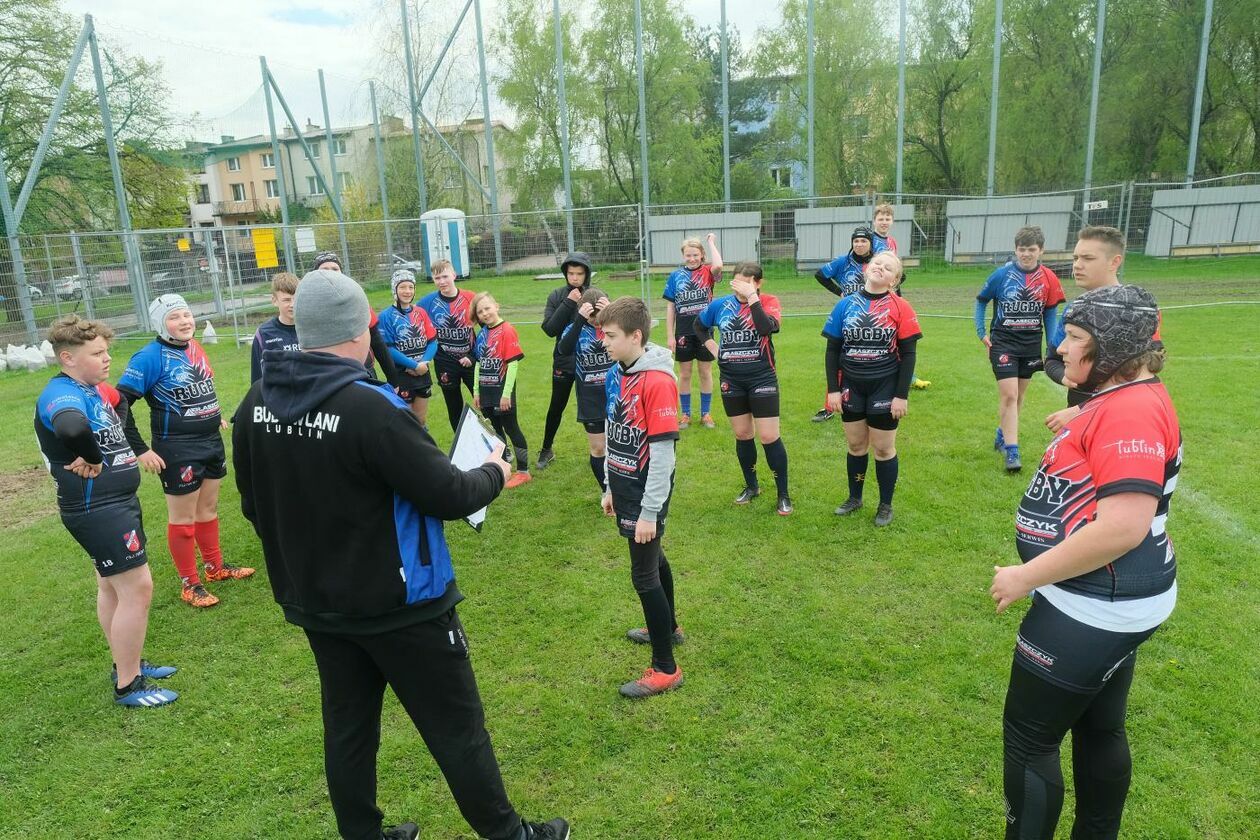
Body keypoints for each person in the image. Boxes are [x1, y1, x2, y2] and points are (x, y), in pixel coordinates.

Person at [233, 268, 569, 840]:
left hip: (317, 601)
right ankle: (512, 836)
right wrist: (494, 469)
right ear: (361, 330)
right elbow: (449, 493)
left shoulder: (254, 402)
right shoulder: (373, 409)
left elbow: (253, 507)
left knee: (348, 727)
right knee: (456, 728)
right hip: (402, 606)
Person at [990, 284, 1177, 840]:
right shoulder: (1119, 398)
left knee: (1029, 740)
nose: (1061, 347)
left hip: (1093, 605)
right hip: (1108, 599)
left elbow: (1123, 526)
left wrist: (1026, 576)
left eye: (1074, 337)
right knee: (1099, 726)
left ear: (1114, 349)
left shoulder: (1132, 411)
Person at [35, 316, 178, 708]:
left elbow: (122, 403)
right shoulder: (61, 393)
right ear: (67, 358)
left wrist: (133, 447)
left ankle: (125, 663)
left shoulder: (96, 389)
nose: (106, 359)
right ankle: (128, 686)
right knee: (138, 588)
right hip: (96, 507)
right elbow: (70, 428)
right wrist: (91, 456)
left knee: (111, 586)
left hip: (117, 503)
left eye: (106, 351)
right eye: (96, 353)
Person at [117, 294, 254, 608]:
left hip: (211, 442)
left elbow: (198, 387)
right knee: (183, 519)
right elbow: (120, 404)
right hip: (177, 449)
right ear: (160, 324)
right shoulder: (148, 357)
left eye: (187, 315)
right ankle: (190, 584)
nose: (184, 322)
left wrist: (211, 412)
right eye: (174, 317)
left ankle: (215, 568)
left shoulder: (195, 346)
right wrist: (140, 450)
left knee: (208, 510)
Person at [597, 296, 685, 698]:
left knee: (644, 575)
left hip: (647, 492)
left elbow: (663, 454)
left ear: (636, 336)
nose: (604, 342)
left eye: (611, 336)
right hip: (626, 486)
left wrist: (649, 512)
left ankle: (666, 667)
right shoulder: (618, 371)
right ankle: (668, 627)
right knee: (656, 560)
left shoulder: (658, 381)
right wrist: (609, 485)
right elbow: (614, 431)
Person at [822, 252, 922, 527]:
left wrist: (901, 395)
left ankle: (885, 505)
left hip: (885, 385)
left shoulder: (901, 307)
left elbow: (909, 354)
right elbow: (832, 350)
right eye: (877, 263)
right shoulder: (846, 305)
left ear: (894, 279)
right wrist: (833, 390)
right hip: (851, 385)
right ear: (866, 269)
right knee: (855, 445)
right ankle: (855, 498)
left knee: (882, 449)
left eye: (888, 268)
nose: (881, 268)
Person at [1043, 226, 1161, 435]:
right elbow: (1051, 360)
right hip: (1078, 420)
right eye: (1076, 258)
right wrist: (1066, 378)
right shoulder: (1074, 310)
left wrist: (1084, 410)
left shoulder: (1138, 312)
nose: (1077, 265)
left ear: (1114, 262)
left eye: (1087, 258)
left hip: (1120, 424)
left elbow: (1145, 376)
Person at [695, 261, 792, 515]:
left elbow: (764, 328)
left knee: (769, 437)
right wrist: (712, 347)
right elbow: (698, 324)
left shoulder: (768, 301)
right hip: (732, 379)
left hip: (762, 377)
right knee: (742, 435)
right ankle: (752, 486)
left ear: (758, 283)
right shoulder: (721, 305)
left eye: (747, 282)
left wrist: (752, 298)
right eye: (737, 281)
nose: (740, 287)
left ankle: (783, 493)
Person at [974, 226, 1066, 472]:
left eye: (1031, 250)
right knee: (1009, 395)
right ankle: (1012, 451)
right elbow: (981, 302)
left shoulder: (1049, 278)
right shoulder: (1000, 275)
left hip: (1030, 344)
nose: (1026, 254)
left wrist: (1053, 345)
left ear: (1041, 251)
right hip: (1003, 343)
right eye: (1022, 249)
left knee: (1019, 397)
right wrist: (982, 333)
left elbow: (1050, 314)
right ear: (1015, 250)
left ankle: (1002, 433)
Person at [536, 252, 593, 470]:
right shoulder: (557, 295)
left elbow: (608, 325)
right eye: (571, 273)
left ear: (586, 274)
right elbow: (549, 329)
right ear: (565, 273)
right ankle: (546, 449)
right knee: (556, 407)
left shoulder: (595, 294)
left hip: (591, 362)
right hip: (564, 362)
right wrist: (569, 302)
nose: (575, 278)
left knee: (593, 406)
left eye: (579, 273)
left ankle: (601, 450)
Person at [811, 226, 874, 422]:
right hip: (848, 318)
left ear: (870, 243)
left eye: (864, 241)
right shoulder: (843, 262)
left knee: (874, 360)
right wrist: (839, 292)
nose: (859, 244)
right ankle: (830, 406)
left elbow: (900, 277)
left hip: (875, 319)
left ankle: (877, 404)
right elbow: (820, 275)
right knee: (838, 360)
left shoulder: (879, 261)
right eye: (856, 241)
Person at [555, 286, 614, 496]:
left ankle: (623, 488)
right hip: (590, 399)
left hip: (618, 395)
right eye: (592, 317)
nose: (597, 322)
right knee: (599, 448)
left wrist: (613, 313)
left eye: (600, 317)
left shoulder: (615, 326)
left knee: (619, 449)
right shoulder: (576, 328)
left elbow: (638, 341)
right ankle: (607, 491)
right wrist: (580, 321)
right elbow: (563, 349)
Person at [662, 233, 722, 429]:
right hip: (683, 331)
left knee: (705, 372)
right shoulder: (675, 276)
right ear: (683, 256)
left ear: (702, 255)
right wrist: (670, 335)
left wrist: (711, 242)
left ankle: (706, 414)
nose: (692, 258)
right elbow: (671, 307)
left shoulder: (707, 273)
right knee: (685, 373)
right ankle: (685, 414)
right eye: (688, 255)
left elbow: (719, 266)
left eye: (695, 255)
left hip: (704, 330)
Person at [472, 292, 531, 488]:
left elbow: (512, 365)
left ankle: (523, 471)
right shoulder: (482, 333)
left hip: (502, 391)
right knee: (496, 430)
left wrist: (506, 394)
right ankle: (504, 465)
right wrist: (476, 391)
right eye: (480, 312)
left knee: (511, 428)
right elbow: (479, 364)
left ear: (496, 306)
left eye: (487, 308)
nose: (484, 314)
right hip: (486, 390)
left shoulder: (507, 330)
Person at [313, 251, 399, 386]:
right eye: (324, 269)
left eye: (335, 269)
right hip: (330, 376)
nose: (330, 273)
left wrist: (393, 379)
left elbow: (377, 341)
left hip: (364, 371)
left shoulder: (357, 299)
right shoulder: (309, 305)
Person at [873, 203, 931, 391]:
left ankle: (908, 375)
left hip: (891, 292)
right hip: (876, 295)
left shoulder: (892, 242)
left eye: (887, 219)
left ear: (892, 221)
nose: (884, 222)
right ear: (874, 221)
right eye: (880, 219)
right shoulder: (870, 240)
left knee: (900, 333)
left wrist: (897, 289)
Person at [419, 259, 478, 432]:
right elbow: (414, 324)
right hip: (445, 362)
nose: (442, 281)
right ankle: (463, 448)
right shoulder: (426, 303)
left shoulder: (471, 298)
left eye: (445, 276)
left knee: (486, 404)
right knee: (454, 409)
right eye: (437, 278)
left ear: (454, 275)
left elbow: (488, 330)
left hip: (470, 360)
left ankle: (499, 446)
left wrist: (474, 356)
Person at [377, 269, 439, 428]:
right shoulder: (386, 316)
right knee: (406, 423)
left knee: (421, 421)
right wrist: (413, 365)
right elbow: (388, 349)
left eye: (411, 287)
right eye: (403, 287)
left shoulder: (421, 312)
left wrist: (423, 363)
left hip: (422, 373)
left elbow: (433, 341)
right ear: (394, 290)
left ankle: (423, 452)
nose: (407, 291)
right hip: (402, 375)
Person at [250, 272, 301, 383]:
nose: (292, 304)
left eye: (295, 298)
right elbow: (257, 378)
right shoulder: (264, 334)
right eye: (286, 300)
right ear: (274, 301)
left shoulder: (311, 328)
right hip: (278, 398)